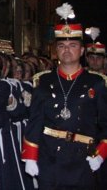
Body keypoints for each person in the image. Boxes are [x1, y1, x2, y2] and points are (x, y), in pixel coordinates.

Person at [22, 22, 107, 189]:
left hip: (83, 159)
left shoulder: (96, 83)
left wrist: (100, 154)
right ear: (56, 50)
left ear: (82, 51)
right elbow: (35, 122)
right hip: (50, 158)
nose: (66, 50)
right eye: (62, 45)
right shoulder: (44, 81)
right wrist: (30, 156)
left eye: (72, 45)